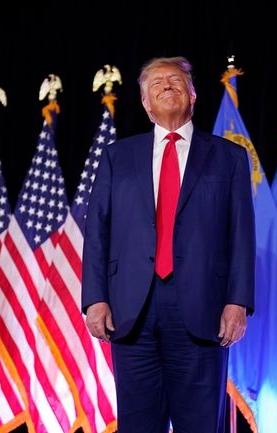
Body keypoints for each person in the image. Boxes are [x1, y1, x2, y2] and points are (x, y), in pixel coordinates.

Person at [81, 56, 255, 433]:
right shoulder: (117, 157)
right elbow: (98, 231)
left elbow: (241, 234)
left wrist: (237, 301)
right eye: (156, 82)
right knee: (139, 423)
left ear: (192, 94)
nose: (166, 85)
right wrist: (95, 298)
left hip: (202, 306)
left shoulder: (228, 157)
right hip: (131, 308)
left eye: (176, 80)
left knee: (201, 423)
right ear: (144, 102)